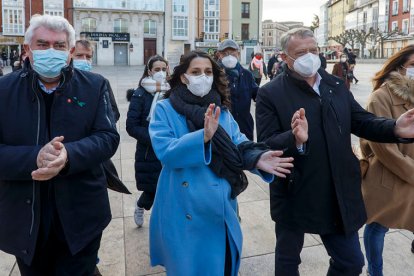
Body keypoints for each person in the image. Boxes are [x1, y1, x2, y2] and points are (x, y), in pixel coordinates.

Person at [255, 27, 414, 276]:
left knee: (350, 262)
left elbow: (361, 121)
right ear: (285, 57)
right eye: (301, 52)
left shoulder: (335, 85)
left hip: (337, 190)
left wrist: (395, 127)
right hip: (295, 189)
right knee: (288, 261)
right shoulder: (270, 93)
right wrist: (294, 138)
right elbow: (265, 143)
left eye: (313, 50)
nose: (310, 56)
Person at [148, 50, 295, 275]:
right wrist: (203, 138)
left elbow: (238, 141)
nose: (203, 77)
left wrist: (256, 157)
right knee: (188, 267)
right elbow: (166, 152)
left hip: (220, 203)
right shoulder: (165, 109)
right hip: (182, 205)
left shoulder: (221, 109)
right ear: (183, 77)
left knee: (223, 265)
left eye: (208, 72)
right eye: (195, 72)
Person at [0, 14, 119, 275]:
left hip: (81, 215)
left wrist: (68, 156)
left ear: (70, 51)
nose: (51, 51)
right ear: (28, 49)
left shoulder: (94, 86)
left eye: (59, 45)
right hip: (25, 218)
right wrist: (35, 157)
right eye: (42, 44)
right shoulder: (3, 90)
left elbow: (108, 137)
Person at [359, 45, 414, 276]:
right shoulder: (380, 97)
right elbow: (382, 147)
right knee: (377, 226)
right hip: (388, 176)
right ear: (399, 66)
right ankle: (375, 272)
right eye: (413, 66)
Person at [126, 55, 169, 228]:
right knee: (151, 188)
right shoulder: (140, 94)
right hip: (148, 150)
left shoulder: (171, 91)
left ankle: (163, 221)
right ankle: (140, 206)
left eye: (164, 69)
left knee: (167, 188)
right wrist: (153, 138)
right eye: (157, 69)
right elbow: (131, 126)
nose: (161, 72)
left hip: (168, 147)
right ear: (149, 71)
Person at [217, 39, 258, 141]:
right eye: (225, 53)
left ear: (238, 54)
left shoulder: (247, 75)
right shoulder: (215, 75)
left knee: (246, 154)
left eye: (232, 53)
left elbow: (257, 94)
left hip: (244, 126)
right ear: (219, 55)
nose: (229, 56)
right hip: (222, 128)